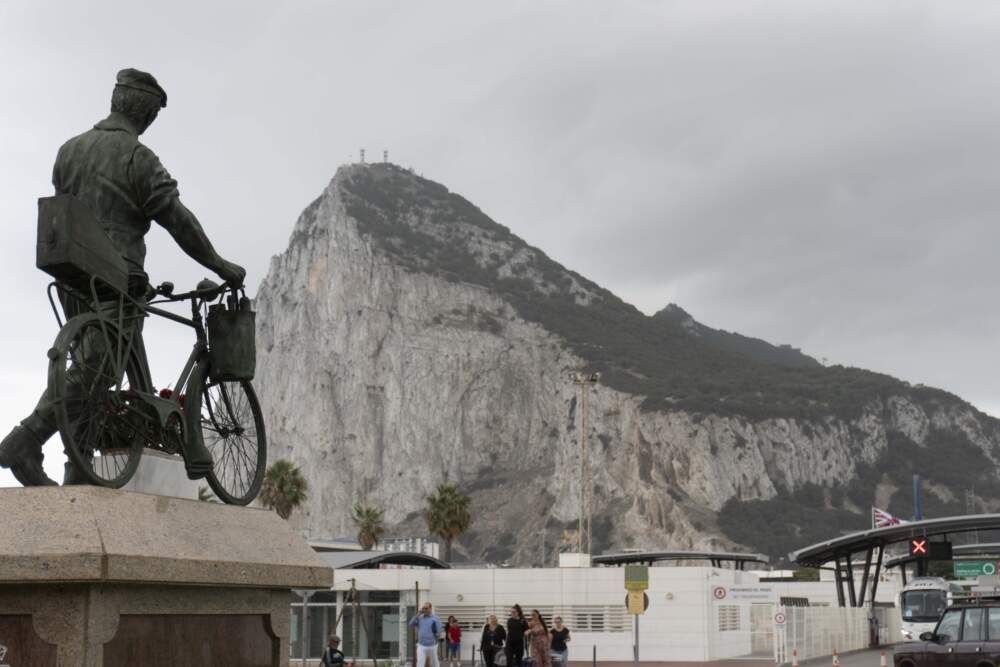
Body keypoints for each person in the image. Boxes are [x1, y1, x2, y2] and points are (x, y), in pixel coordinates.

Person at [0, 67, 245, 485]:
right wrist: (220, 265)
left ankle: (78, 469)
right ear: (147, 114)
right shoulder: (138, 158)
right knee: (102, 371)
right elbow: (177, 220)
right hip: (119, 278)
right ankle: (27, 437)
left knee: (88, 368)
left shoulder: (69, 150)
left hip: (75, 274)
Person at [409, 602, 443, 667]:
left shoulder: (435, 618)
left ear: (430, 609)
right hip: (421, 645)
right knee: (420, 663)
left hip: (432, 645)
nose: (424, 609)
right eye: (423, 608)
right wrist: (417, 615)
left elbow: (439, 630)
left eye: (426, 608)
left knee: (435, 663)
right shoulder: (420, 618)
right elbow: (411, 624)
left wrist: (437, 637)